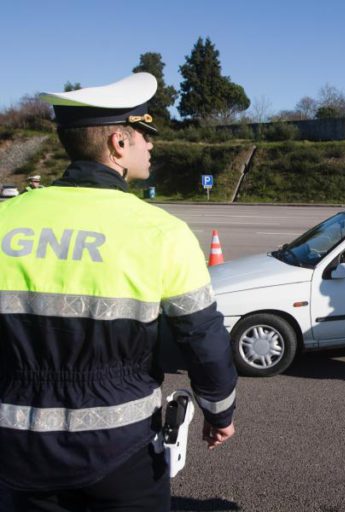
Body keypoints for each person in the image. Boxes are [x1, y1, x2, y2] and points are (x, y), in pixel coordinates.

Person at [0, 73, 238, 511]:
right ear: (117, 143)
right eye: (145, 135)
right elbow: (202, 336)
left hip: (15, 447)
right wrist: (219, 411)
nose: (151, 145)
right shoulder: (160, 232)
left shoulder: (6, 219)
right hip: (120, 451)